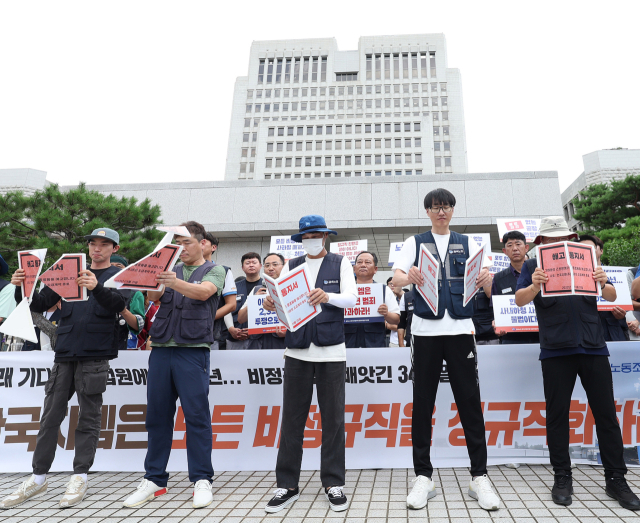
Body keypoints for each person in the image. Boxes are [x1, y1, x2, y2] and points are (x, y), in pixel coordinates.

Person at [515, 216, 639, 510]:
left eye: (563, 237)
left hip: (593, 345)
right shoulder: (533, 266)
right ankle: (562, 476)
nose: (558, 242)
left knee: (606, 415)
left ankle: (616, 480)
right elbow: (520, 300)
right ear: (541, 242)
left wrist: (602, 281)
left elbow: (611, 295)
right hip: (556, 348)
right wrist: (534, 286)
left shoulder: (586, 260)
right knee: (557, 415)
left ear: (570, 238)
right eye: (551, 238)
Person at [0, 228, 126, 510]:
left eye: (104, 244)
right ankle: (38, 478)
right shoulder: (69, 270)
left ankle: (80, 476)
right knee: (50, 417)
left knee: (88, 418)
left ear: (114, 249)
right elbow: (39, 303)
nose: (97, 248)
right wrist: (23, 285)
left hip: (95, 354)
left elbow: (120, 305)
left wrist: (96, 287)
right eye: (93, 243)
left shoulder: (119, 275)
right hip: (65, 351)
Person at [392, 188, 500, 512]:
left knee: (469, 402)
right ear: (427, 211)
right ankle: (423, 476)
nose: (441, 211)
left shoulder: (471, 244)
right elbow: (396, 278)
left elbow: (489, 284)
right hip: (424, 332)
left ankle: (479, 476)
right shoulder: (414, 242)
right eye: (436, 207)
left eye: (446, 206)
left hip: (461, 331)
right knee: (423, 403)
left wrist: (486, 278)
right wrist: (406, 275)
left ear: (453, 210)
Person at [122, 221, 225, 510]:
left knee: (196, 417)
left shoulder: (216, 270)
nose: (181, 248)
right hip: (161, 349)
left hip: (192, 352)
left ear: (202, 243)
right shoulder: (169, 268)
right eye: (176, 243)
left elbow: (204, 293)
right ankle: (154, 479)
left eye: (186, 242)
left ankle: (202, 479)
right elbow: (152, 296)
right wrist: (150, 275)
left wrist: (171, 281)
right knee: (156, 417)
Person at [262, 215, 357, 513]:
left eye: (316, 234)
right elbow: (285, 313)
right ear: (301, 238)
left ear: (325, 236)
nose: (311, 239)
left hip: (331, 351)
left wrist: (328, 295)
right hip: (297, 351)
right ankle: (287, 484)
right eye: (306, 235)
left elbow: (352, 299)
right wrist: (272, 303)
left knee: (333, 420)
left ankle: (333, 482)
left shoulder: (340, 263)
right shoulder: (290, 265)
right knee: (292, 419)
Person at [490, 231, 540, 345]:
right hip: (511, 339)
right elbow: (494, 308)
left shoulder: (539, 273)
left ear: (526, 247)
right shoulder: (498, 278)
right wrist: (496, 322)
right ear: (504, 251)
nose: (515, 248)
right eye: (510, 245)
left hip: (541, 336)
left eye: (518, 244)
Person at [345, 251, 400, 348]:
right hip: (348, 344)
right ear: (354, 268)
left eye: (367, 262)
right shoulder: (345, 290)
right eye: (359, 262)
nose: (363, 265)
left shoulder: (384, 290)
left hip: (375, 345)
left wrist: (386, 314)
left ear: (375, 269)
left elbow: (396, 320)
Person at [578, 235, 628, 341]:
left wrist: (621, 316)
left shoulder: (617, 274)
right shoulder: (573, 276)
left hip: (612, 331)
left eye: (591, 248)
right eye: (583, 248)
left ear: (601, 251)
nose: (587, 251)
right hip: (585, 332)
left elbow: (619, 299)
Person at [236, 252, 286, 350]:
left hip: (282, 342)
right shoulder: (257, 289)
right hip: (258, 344)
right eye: (267, 265)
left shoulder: (290, 287)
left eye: (275, 264)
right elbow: (240, 319)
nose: (271, 268)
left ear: (283, 267)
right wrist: (254, 300)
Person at [203, 232, 237, 350]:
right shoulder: (179, 270)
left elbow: (231, 304)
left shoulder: (224, 271)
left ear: (213, 247)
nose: (198, 245)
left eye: (203, 242)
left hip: (211, 334)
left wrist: (204, 317)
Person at [228, 253, 263, 350]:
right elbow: (227, 309)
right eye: (248, 263)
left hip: (259, 338)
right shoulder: (233, 286)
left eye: (254, 262)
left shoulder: (266, 285)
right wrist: (231, 329)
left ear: (260, 266)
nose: (251, 265)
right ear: (242, 267)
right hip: (236, 336)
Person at [386, 277, 403, 347]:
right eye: (390, 284)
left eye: (394, 284)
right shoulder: (385, 299)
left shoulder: (405, 297)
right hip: (390, 337)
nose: (392, 285)